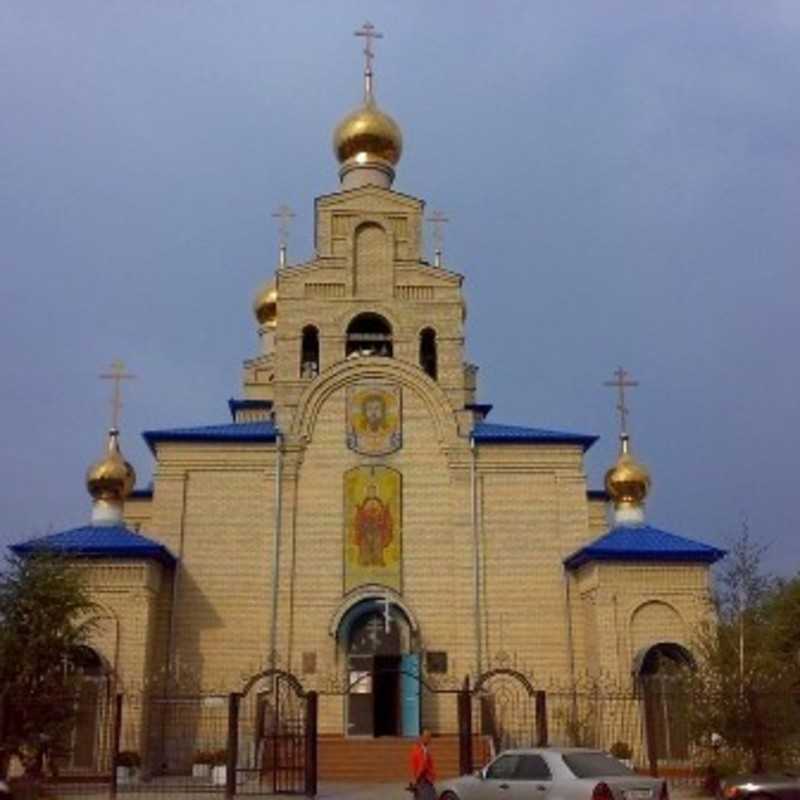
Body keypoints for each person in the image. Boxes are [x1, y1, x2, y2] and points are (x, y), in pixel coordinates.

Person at [409, 729, 436, 800]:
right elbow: (422, 766)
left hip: (421, 780)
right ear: (421, 737)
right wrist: (417, 778)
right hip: (424, 780)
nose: (429, 739)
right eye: (427, 737)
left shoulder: (418, 748)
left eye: (430, 737)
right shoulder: (421, 750)